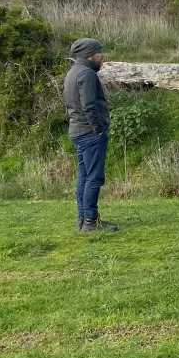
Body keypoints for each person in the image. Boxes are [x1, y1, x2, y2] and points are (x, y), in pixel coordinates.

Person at [64, 37, 116, 233]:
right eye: (99, 52)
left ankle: (84, 218)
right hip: (89, 132)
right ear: (89, 55)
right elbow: (88, 106)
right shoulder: (87, 74)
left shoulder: (74, 72)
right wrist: (99, 127)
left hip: (79, 131)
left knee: (85, 177)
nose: (103, 55)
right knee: (94, 177)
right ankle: (90, 222)